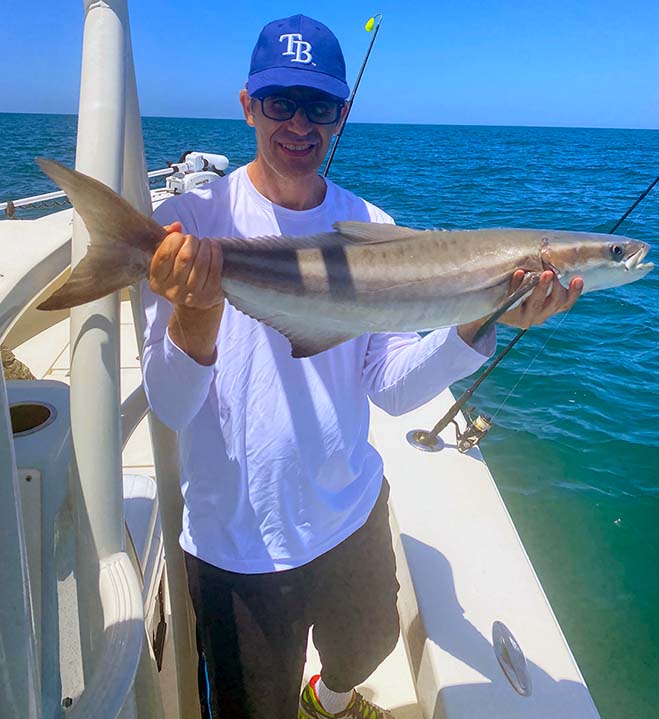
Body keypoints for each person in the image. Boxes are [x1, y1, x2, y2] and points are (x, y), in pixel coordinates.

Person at [141, 14, 583, 719]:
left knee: (368, 646)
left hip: (350, 515)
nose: (298, 123)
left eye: (318, 105)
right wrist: (195, 314)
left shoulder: (369, 223)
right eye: (280, 101)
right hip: (238, 545)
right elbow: (168, 406)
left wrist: (477, 319)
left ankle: (330, 697)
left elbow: (391, 390)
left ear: (341, 113)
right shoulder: (193, 227)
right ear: (247, 103)